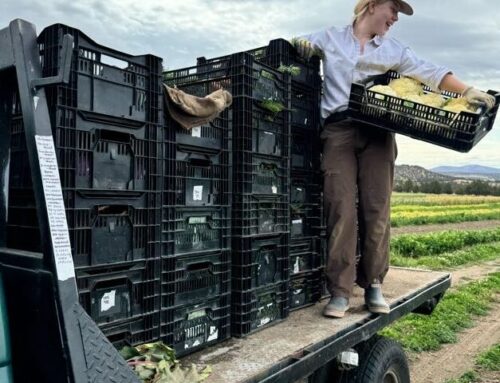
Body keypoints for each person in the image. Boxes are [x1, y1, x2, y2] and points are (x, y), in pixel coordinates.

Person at [295, 0, 496, 318]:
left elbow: (431, 71)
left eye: (399, 14)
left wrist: (467, 89)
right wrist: (300, 46)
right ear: (372, 5)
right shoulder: (329, 37)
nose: (395, 18)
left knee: (377, 208)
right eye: (393, 10)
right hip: (338, 132)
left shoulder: (394, 51)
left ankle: (373, 283)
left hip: (378, 132)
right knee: (340, 207)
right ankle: (340, 291)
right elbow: (298, 45)